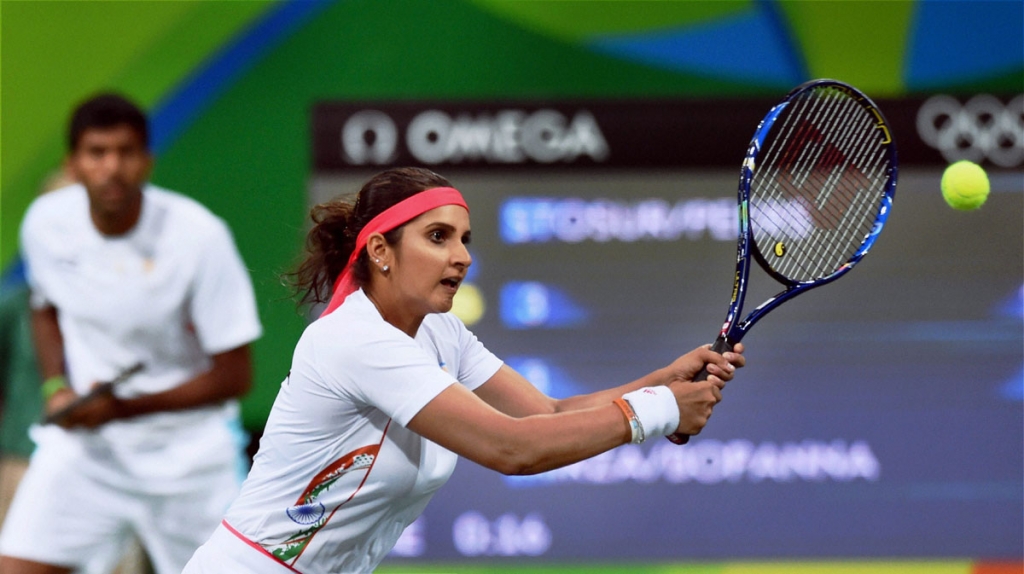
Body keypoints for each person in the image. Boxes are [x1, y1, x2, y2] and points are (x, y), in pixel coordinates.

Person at [182, 167, 746, 574]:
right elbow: (513, 449)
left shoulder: (439, 331)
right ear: (380, 250)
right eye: (437, 237)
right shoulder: (353, 340)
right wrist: (661, 410)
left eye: (464, 239)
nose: (463, 255)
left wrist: (663, 380)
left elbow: (546, 413)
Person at [0, 93, 263, 574]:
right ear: (73, 163)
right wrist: (57, 387)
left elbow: (235, 376)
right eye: (97, 153)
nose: (112, 168)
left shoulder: (200, 236)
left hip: (189, 461)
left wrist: (121, 408)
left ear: (147, 162)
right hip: (86, 455)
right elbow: (45, 307)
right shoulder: (46, 223)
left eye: (125, 153)